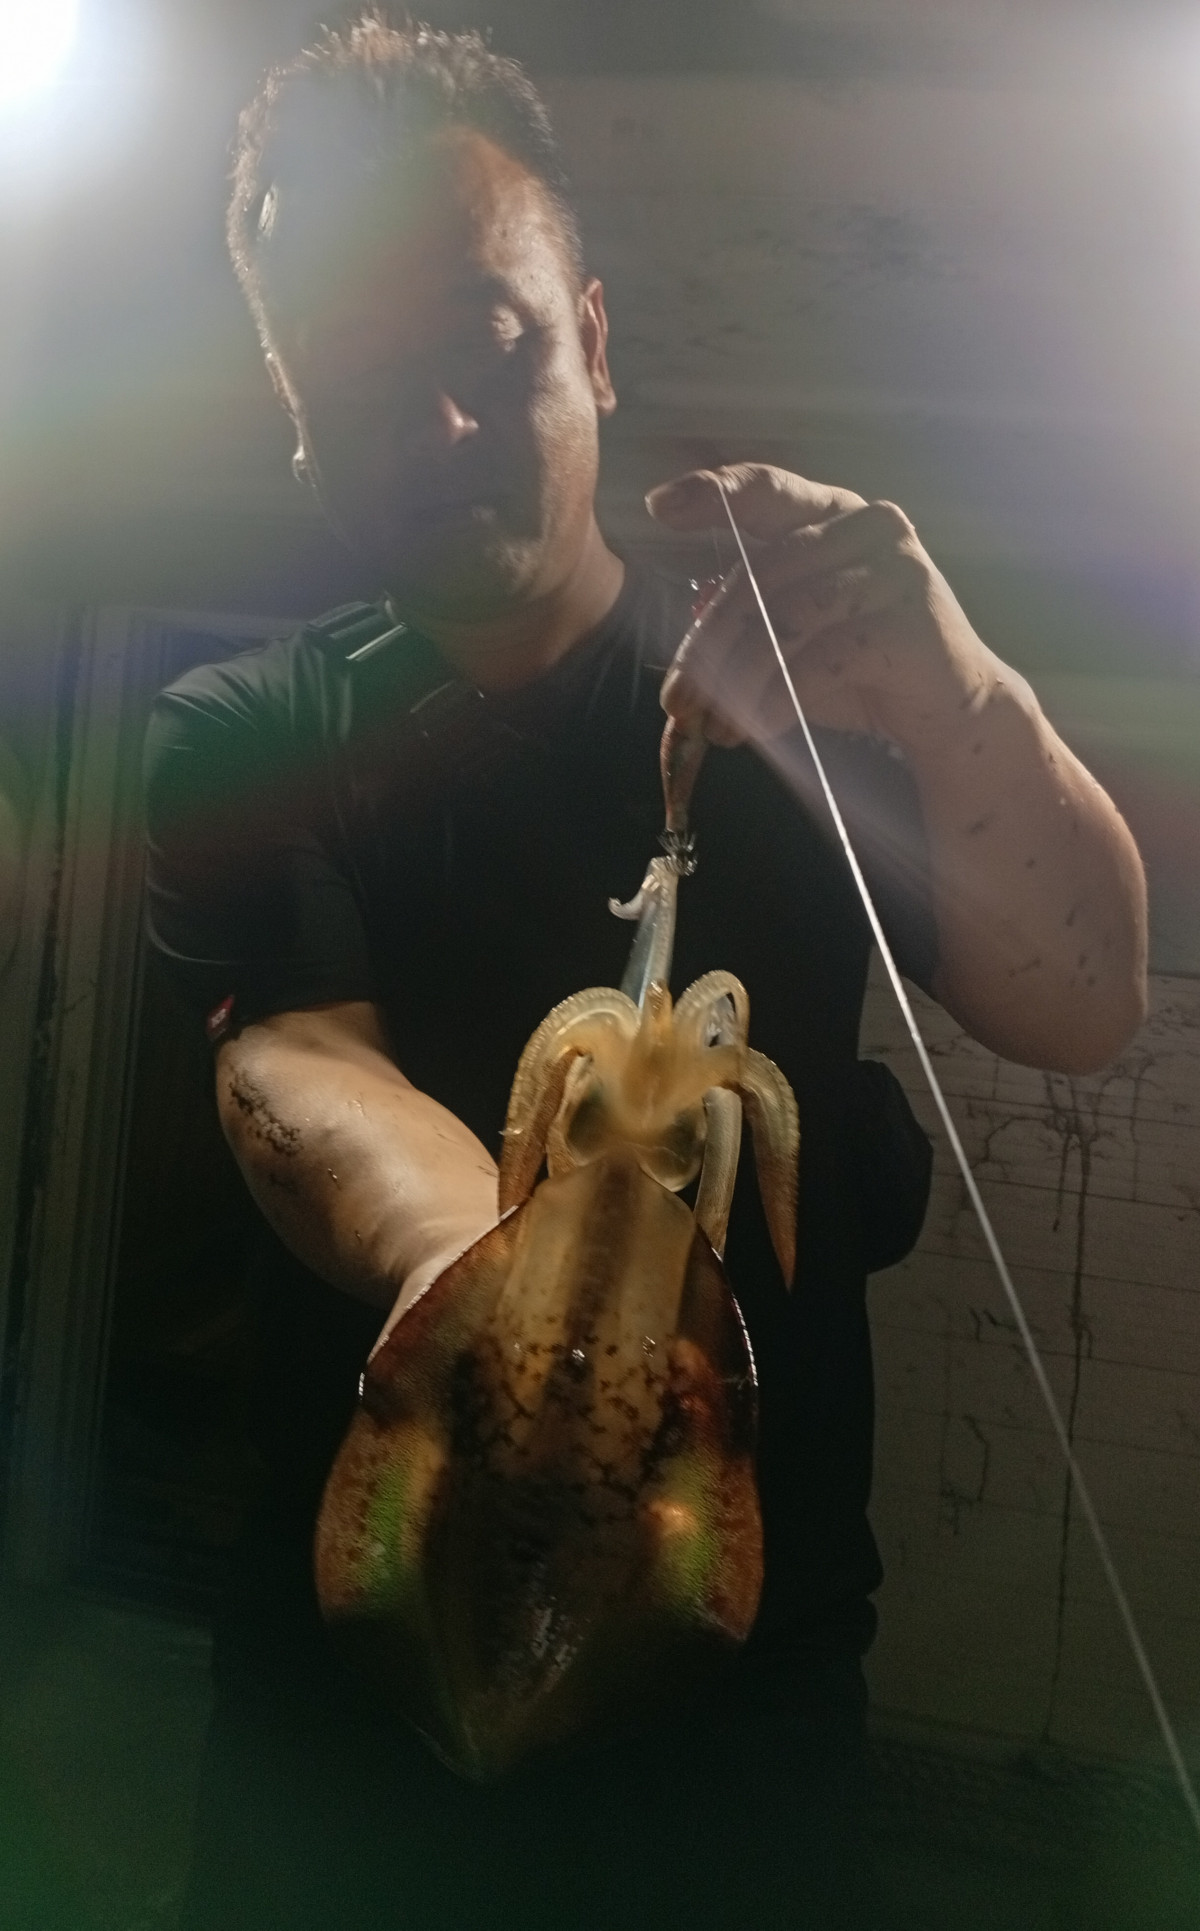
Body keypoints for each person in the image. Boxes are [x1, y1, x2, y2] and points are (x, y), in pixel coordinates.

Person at [143, 16, 1147, 1929]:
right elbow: (299, 1061)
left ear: (591, 340)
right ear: (295, 413)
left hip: (738, 1693)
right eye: (363, 380)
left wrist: (955, 687)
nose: (442, 425)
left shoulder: (796, 693)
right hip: (349, 1678)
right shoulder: (245, 726)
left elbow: (1088, 998)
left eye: (490, 345)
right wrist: (509, 1295)